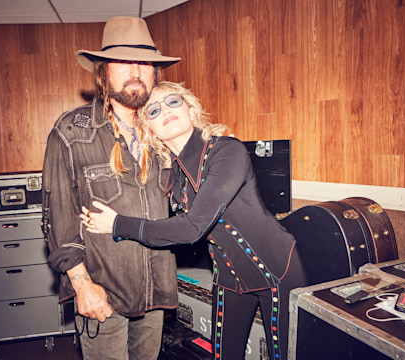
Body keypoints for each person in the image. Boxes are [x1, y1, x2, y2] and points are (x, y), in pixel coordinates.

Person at [82, 81, 308, 360]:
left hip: (277, 269)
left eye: (173, 102)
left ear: (191, 109)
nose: (165, 110)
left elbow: (191, 228)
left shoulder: (227, 151)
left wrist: (118, 225)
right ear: (149, 128)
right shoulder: (170, 173)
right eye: (153, 110)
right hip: (229, 276)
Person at [41, 17, 181, 360]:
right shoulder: (72, 133)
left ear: (155, 73)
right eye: (123, 61)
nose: (135, 70)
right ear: (103, 73)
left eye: (144, 62)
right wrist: (82, 285)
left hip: (155, 293)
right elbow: (57, 220)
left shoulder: (163, 131)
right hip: (103, 294)